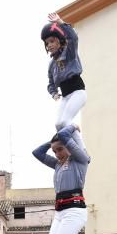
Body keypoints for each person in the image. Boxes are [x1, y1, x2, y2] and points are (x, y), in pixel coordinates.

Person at [41, 12, 86, 146]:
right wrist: (54, 93)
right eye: (47, 43)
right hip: (66, 95)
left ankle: (81, 149)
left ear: (60, 41)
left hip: (78, 91)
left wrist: (60, 22)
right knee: (58, 124)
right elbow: (50, 83)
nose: (49, 45)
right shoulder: (52, 65)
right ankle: (69, 150)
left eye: (52, 41)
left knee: (66, 121)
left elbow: (73, 38)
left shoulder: (69, 52)